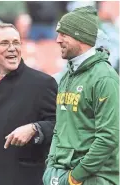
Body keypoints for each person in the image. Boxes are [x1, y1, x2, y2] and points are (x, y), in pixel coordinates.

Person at [43, 6, 119, 185]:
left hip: (95, 179)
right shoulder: (67, 75)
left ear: (80, 36)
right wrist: (51, 166)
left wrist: (76, 176)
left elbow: (109, 137)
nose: (57, 40)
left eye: (63, 34)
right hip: (61, 175)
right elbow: (59, 129)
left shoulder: (105, 78)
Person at [0, 23, 57, 185]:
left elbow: (61, 125)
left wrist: (36, 128)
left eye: (16, 42)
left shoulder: (42, 83)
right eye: (4, 43)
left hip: (21, 179)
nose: (12, 48)